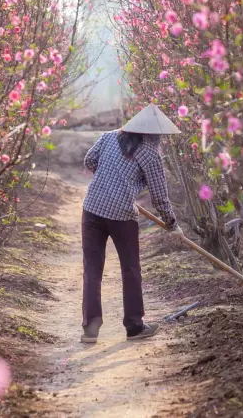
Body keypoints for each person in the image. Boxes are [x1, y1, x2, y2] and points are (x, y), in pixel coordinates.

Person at [80, 104, 183, 343]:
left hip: (92, 207)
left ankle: (90, 330)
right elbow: (159, 195)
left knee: (92, 270)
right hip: (121, 215)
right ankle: (135, 327)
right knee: (130, 269)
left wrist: (108, 181)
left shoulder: (108, 137)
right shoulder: (150, 154)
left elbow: (89, 160)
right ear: (153, 133)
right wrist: (172, 224)